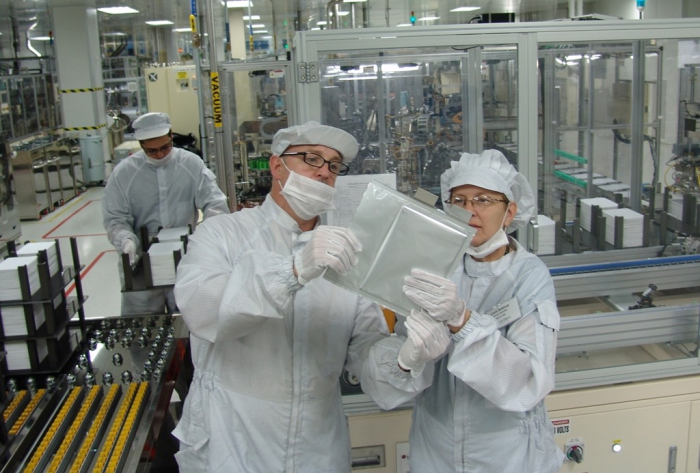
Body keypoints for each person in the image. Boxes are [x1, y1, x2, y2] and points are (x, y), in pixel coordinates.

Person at [172, 121, 404, 472]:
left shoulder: (348, 256)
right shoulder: (222, 234)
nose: (324, 172)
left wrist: (407, 357)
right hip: (233, 439)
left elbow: (366, 356)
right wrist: (292, 270)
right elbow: (203, 311)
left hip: (317, 445)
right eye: (311, 158)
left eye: (333, 165)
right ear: (277, 165)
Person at [363, 150, 565, 472]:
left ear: (510, 212)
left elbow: (529, 381)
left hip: (507, 455)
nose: (469, 212)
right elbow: (385, 385)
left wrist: (462, 320)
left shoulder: (529, 276)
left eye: (483, 200)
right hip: (435, 451)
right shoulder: (435, 266)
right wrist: (406, 360)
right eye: (459, 201)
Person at [102, 112, 229, 315]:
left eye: (164, 148)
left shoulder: (191, 164)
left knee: (189, 323)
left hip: (185, 259)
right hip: (141, 263)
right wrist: (125, 241)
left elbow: (215, 204)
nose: (160, 155)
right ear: (141, 145)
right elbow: (115, 219)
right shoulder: (124, 174)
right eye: (151, 151)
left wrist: (205, 237)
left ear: (171, 135)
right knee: (143, 327)